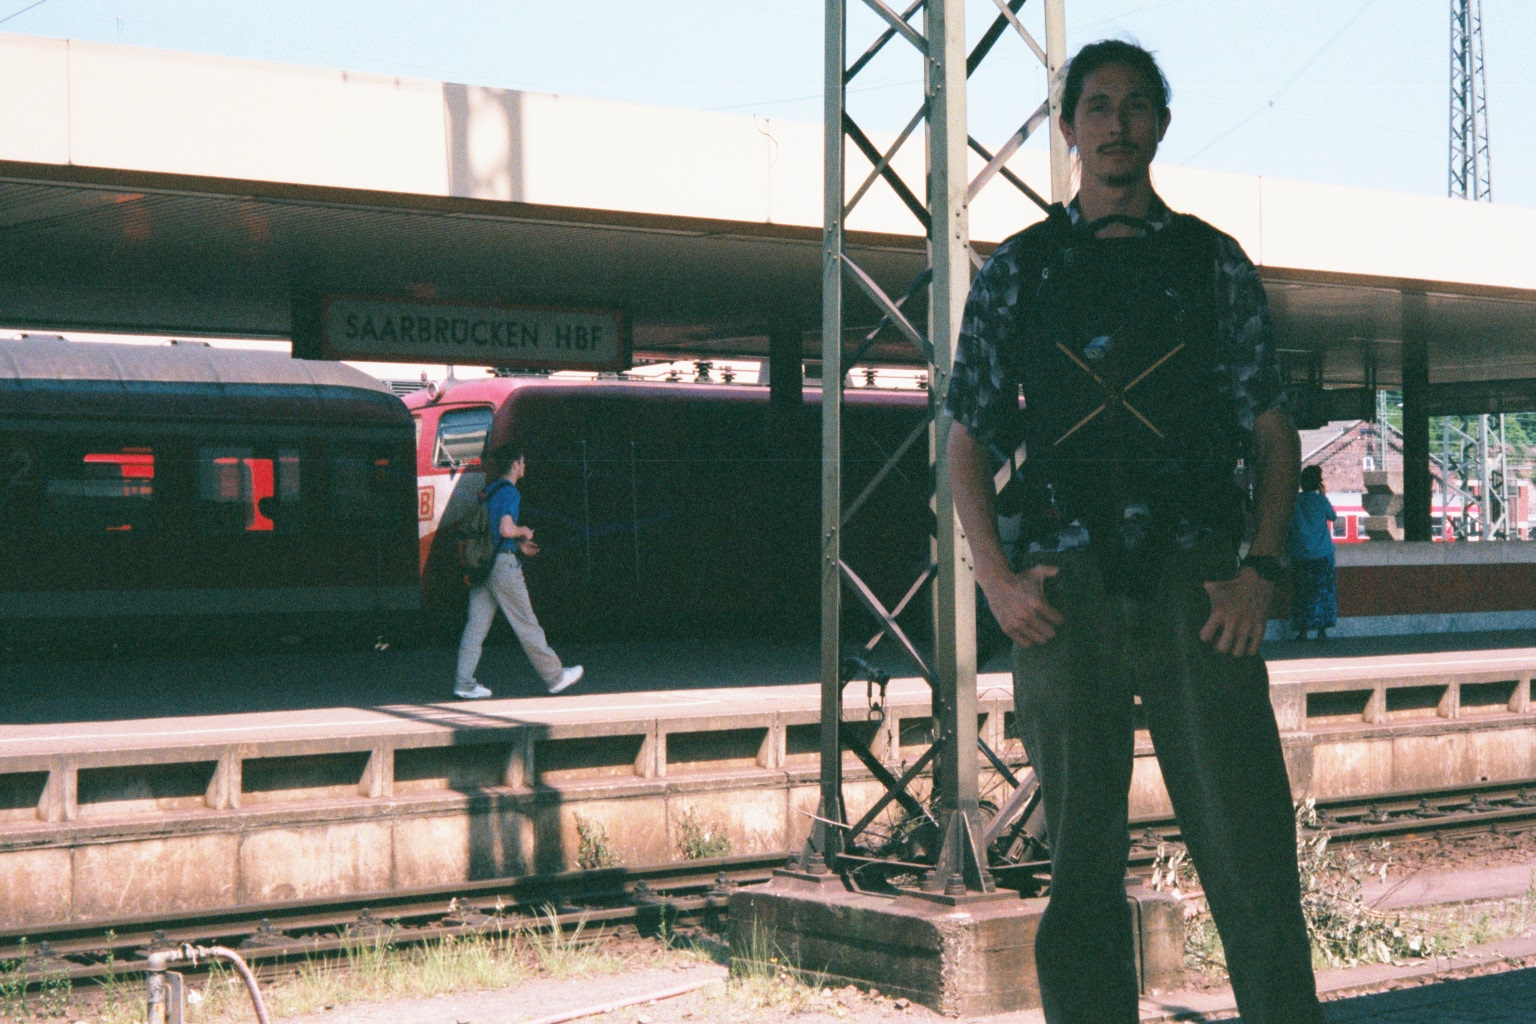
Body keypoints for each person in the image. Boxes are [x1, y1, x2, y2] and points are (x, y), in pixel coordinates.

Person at [945, 40, 1321, 1024]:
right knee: (1079, 861)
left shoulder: (1213, 264)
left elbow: (1275, 435)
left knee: (1248, 843)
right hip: (1063, 595)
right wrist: (996, 579)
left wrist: (1260, 570)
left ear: (1161, 123)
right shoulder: (1020, 273)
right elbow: (964, 439)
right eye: (1098, 105)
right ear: (1068, 127)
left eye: (1136, 105)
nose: (1117, 123)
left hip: (1202, 592)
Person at [453, 443, 583, 700]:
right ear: (514, 464)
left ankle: (463, 683)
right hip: (502, 568)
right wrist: (524, 532)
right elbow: (505, 529)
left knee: (475, 628)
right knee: (526, 623)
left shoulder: (490, 491)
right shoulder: (510, 492)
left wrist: (519, 545)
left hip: (484, 567)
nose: (525, 465)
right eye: (523, 461)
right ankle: (555, 677)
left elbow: (492, 533)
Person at [1289, 464, 1338, 640]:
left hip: (1300, 553)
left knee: (1302, 593)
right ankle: (1321, 632)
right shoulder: (1321, 500)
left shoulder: (1294, 500)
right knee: (1324, 593)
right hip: (1323, 553)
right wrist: (1323, 495)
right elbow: (1332, 516)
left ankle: (1302, 631)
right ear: (1318, 483)